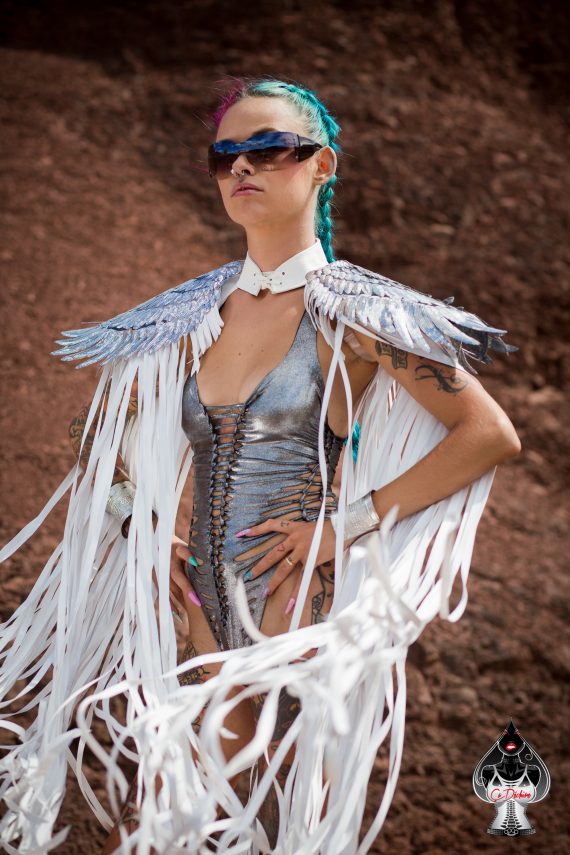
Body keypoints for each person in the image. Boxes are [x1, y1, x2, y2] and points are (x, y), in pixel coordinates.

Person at [0, 76, 521, 854]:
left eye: (271, 148)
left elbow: (488, 432)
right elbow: (93, 441)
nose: (243, 167)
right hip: (196, 616)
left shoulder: (356, 313)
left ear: (323, 165)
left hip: (293, 615)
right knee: (166, 822)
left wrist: (344, 525)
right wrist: (141, 531)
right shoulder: (189, 316)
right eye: (225, 155)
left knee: (257, 825)